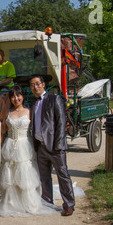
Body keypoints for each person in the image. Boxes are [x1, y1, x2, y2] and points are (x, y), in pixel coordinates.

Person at [0, 86, 60, 217]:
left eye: (18, 95)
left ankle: (29, 202)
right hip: (10, 144)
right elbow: (3, 130)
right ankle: (12, 202)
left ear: (22, 96)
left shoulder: (30, 111)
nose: (16, 99)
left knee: (25, 173)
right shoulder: (8, 112)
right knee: (10, 174)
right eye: (12, 96)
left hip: (24, 145)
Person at [29, 75, 75, 216]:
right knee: (44, 177)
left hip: (55, 146)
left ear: (43, 84)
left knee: (62, 175)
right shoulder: (33, 104)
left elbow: (61, 122)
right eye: (32, 85)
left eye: (37, 84)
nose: (35, 87)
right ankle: (47, 201)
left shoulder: (55, 99)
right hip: (41, 146)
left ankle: (69, 204)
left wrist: (59, 144)